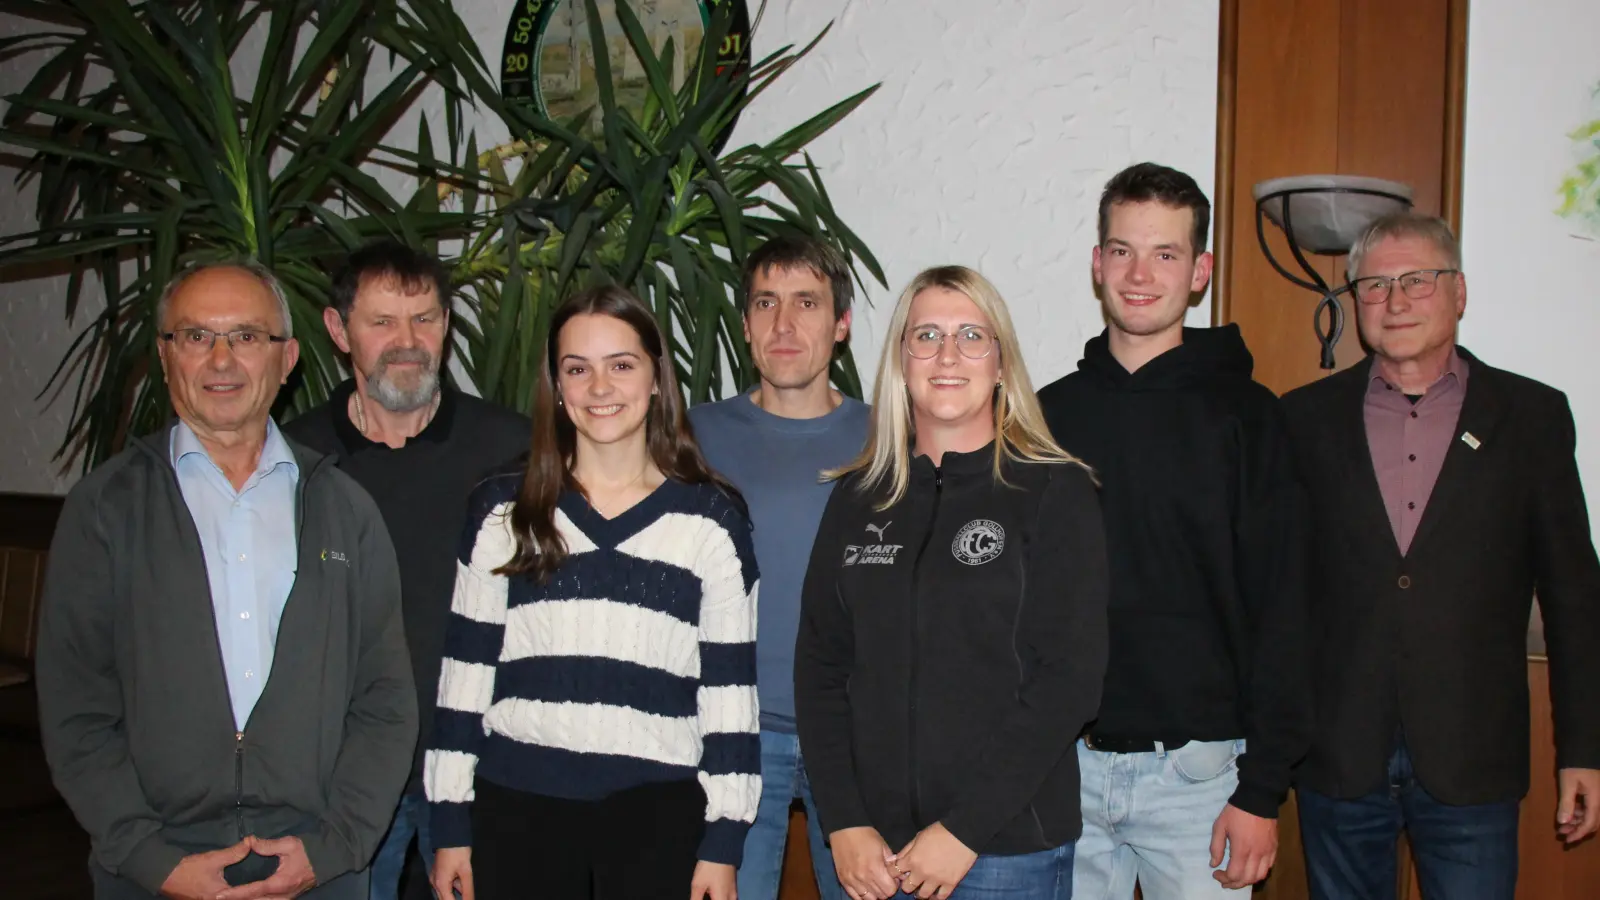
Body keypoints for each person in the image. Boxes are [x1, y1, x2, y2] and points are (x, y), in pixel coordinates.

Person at [36, 261, 417, 900]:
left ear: (287, 357)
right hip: (153, 870)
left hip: (314, 868)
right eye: (195, 337)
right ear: (165, 356)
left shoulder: (344, 510)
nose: (221, 360)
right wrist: (150, 859)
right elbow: (77, 711)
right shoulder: (106, 508)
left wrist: (331, 848)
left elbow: (384, 703)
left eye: (246, 337)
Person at [1281, 212, 1600, 900]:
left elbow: (1576, 598)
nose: (1395, 302)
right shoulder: (1301, 420)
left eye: (1417, 281)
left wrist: (1585, 751)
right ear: (1353, 301)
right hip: (1337, 754)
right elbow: (1278, 596)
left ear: (1459, 292)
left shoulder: (1533, 417)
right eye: (1375, 285)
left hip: (1472, 758)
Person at [425, 286, 761, 900]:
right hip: (516, 812)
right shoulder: (503, 509)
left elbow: (730, 696)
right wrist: (450, 822)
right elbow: (464, 678)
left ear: (657, 377)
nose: (600, 387)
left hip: (658, 820)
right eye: (577, 369)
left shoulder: (713, 521)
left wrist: (723, 842)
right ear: (556, 386)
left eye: (621, 365)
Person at [1035, 162, 1311, 898]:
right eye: (1122, 250)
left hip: (1202, 784)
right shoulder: (1042, 418)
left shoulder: (1251, 418)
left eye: (1165, 254)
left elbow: (1288, 611)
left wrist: (1260, 791)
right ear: (1097, 263)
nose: (1139, 274)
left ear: (1200, 271)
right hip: (1065, 774)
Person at [796, 265, 1110, 900]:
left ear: (1001, 364)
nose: (947, 355)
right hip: (868, 857)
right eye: (926, 336)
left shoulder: (1054, 490)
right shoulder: (858, 498)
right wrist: (844, 819)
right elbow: (821, 668)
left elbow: (1070, 682)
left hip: (1004, 851)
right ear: (900, 360)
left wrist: (963, 831)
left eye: (972, 335)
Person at [282, 240, 529, 900]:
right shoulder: (293, 463)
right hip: (344, 777)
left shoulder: (514, 448)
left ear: (446, 326)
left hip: (483, 769)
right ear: (339, 331)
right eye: (382, 321)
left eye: (424, 318)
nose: (407, 340)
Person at [688, 235, 869, 900]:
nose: (784, 325)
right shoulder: (690, 438)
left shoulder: (890, 441)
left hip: (857, 740)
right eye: (766, 303)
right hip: (731, 740)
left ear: (841, 324)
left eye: (807, 303)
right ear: (744, 325)